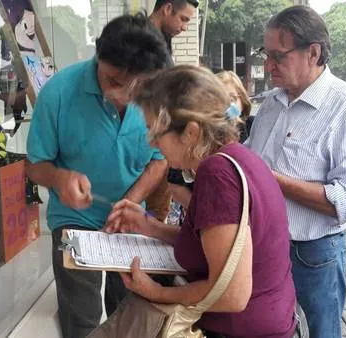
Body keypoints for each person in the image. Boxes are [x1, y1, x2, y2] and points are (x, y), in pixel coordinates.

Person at [105, 65, 300, 338]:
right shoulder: (238, 157)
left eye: (154, 132)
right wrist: (148, 226)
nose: (152, 144)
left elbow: (232, 294)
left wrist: (156, 292)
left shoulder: (217, 174)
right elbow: (211, 243)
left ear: (191, 133)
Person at [25, 13, 169, 338]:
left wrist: (129, 204)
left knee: (130, 310)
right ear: (98, 57)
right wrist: (61, 179)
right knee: (82, 319)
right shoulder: (59, 92)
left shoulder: (159, 97)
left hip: (130, 218)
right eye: (114, 81)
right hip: (74, 218)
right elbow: (35, 165)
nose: (125, 95)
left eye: (138, 86)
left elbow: (159, 161)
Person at [245, 6, 346, 338]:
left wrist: (274, 181)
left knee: (320, 332)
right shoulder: (271, 103)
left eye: (278, 56)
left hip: (313, 254)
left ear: (313, 53)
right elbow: (249, 157)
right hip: (264, 246)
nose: (268, 65)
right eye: (266, 54)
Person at [145, 0, 199, 223]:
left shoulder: (160, 39)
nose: (185, 27)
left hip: (158, 141)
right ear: (167, 9)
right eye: (183, 19)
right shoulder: (141, 42)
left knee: (156, 216)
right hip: (143, 142)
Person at [170, 70, 252, 208]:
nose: (226, 106)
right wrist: (200, 210)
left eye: (232, 99)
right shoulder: (197, 135)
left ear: (242, 101)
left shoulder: (252, 128)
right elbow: (175, 181)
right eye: (219, 99)